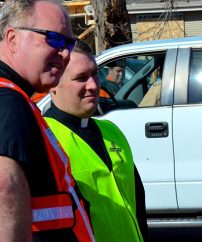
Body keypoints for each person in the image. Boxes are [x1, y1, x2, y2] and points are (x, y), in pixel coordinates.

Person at [0, 1, 94, 241]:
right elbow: (5, 188)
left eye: (69, 43)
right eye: (54, 39)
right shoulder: (9, 103)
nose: (65, 53)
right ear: (12, 38)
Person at [44, 40, 149, 242]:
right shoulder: (46, 138)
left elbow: (138, 207)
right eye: (81, 78)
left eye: (94, 74)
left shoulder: (111, 131)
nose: (93, 85)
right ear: (53, 84)